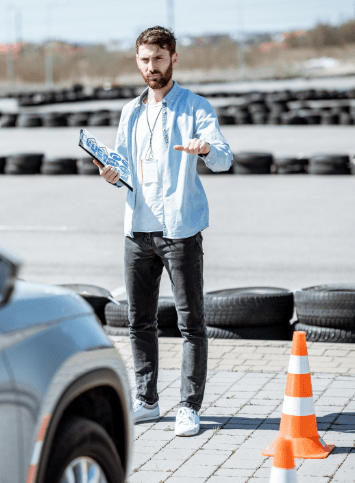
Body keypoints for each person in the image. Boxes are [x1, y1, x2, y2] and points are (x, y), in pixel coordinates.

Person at [95, 26, 233, 436]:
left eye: (158, 58)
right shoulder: (130, 111)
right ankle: (147, 400)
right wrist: (111, 175)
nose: (150, 67)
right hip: (137, 230)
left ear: (173, 58)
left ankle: (189, 406)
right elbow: (124, 168)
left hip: (180, 231)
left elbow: (225, 158)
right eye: (144, 59)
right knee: (139, 321)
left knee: (191, 323)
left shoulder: (195, 107)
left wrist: (205, 149)